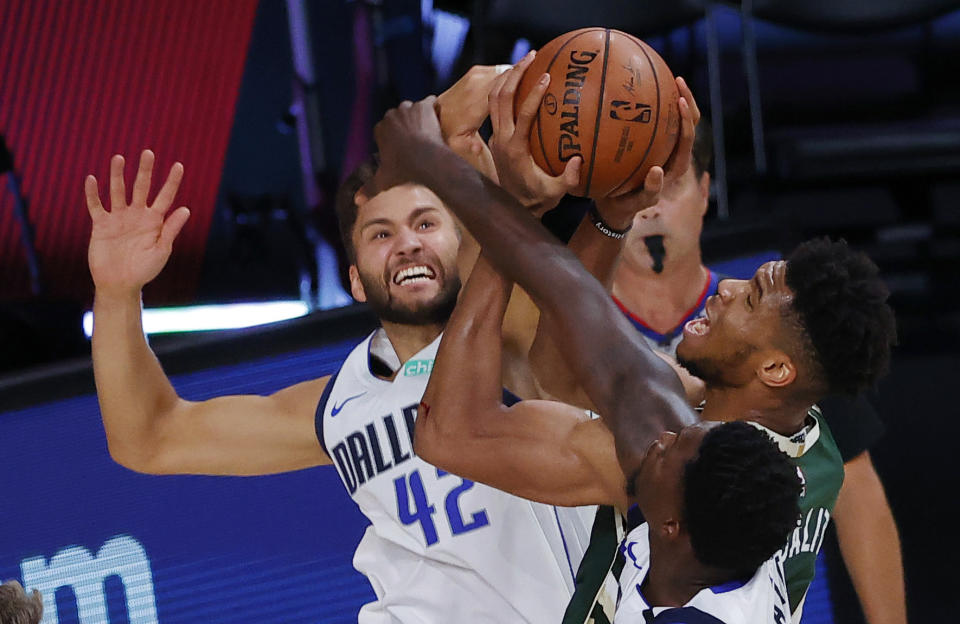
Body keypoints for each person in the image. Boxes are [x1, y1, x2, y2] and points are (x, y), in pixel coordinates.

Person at [82, 62, 596, 623]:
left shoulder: (512, 336)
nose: (406, 244)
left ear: (461, 244)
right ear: (354, 281)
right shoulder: (338, 405)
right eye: (381, 234)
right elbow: (147, 438)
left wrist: (449, 117)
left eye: (426, 224)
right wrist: (115, 293)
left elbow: (489, 211)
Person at [369, 89, 895, 622]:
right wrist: (608, 220)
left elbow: (449, 432)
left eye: (753, 297)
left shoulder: (681, 463)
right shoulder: (810, 443)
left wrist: (437, 162)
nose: (730, 286)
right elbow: (560, 371)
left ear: (776, 370)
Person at [599, 121, 907, 624]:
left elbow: (859, 493)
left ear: (704, 191)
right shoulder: (582, 333)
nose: (649, 205)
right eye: (629, 185)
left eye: (668, 184)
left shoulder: (789, 330)